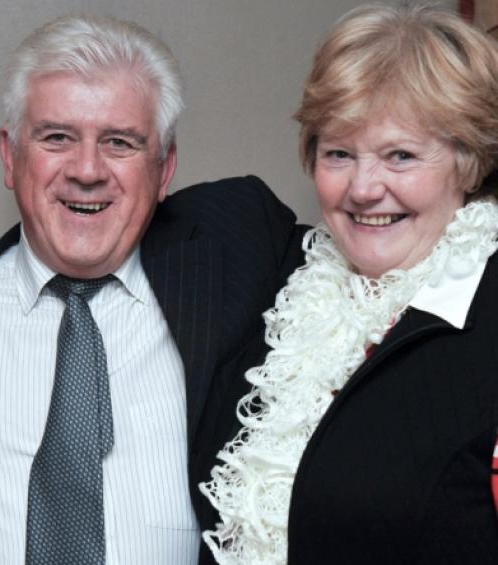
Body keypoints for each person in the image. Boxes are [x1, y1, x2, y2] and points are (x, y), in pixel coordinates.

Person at [0, 14, 304, 565]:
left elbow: (385, 236)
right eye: (57, 138)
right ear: (9, 155)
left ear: (164, 169)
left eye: (120, 142)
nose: (87, 170)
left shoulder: (238, 249)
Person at [200, 4, 498, 564]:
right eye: (339, 153)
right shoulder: (281, 290)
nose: (363, 188)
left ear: (469, 163)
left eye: (401, 156)